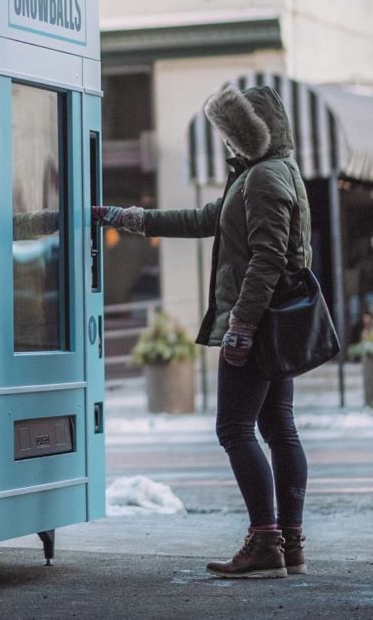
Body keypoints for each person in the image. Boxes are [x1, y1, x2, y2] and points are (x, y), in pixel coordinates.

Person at [94, 84, 310, 579]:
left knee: (235, 428)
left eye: (233, 133)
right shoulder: (265, 173)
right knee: (278, 427)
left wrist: (241, 326)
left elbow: (268, 258)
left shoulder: (264, 178)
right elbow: (203, 219)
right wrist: (127, 218)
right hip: (273, 322)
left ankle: (266, 541)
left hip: (259, 324)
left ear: (253, 133)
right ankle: (289, 543)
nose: (227, 142)